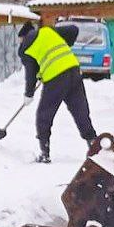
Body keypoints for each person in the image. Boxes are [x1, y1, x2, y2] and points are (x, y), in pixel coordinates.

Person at [18, 20, 97, 163]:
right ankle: (94, 145)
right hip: (73, 70)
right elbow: (73, 29)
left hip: (56, 78)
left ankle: (44, 153)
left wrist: (28, 94)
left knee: (44, 115)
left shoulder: (25, 47)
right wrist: (65, 45)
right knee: (81, 112)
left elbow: (30, 73)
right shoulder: (48, 31)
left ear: (23, 36)